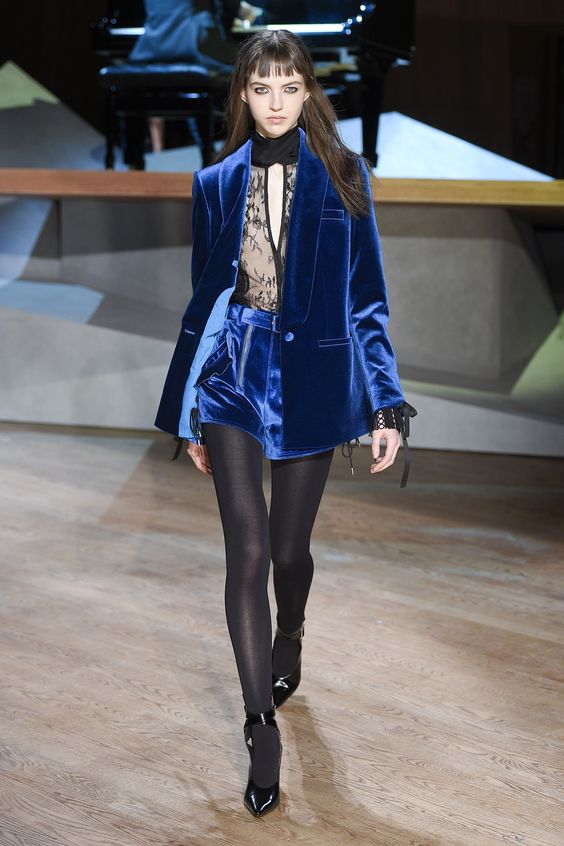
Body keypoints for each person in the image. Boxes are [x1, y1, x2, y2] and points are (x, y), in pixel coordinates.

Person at [154, 29, 418, 817]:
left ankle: (291, 631)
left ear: (308, 93)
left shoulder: (344, 173)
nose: (275, 102)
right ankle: (259, 726)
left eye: (289, 88)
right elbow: (207, 302)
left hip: (312, 384)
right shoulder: (213, 183)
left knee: (288, 552)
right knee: (247, 548)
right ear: (243, 93)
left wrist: (384, 402)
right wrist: (191, 410)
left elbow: (367, 302)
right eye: (262, 88)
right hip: (233, 378)